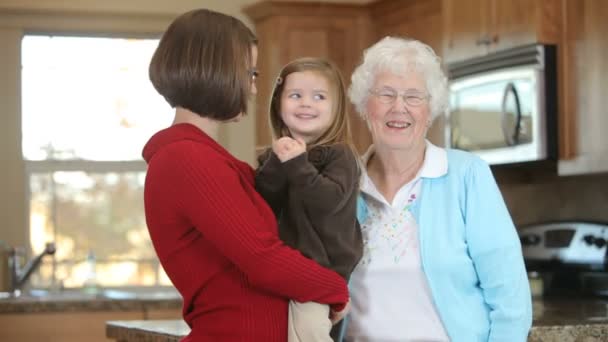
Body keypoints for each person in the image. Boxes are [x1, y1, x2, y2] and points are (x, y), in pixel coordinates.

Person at [142, 9, 349, 341]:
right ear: (218, 70)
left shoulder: (199, 157)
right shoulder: (187, 158)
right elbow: (262, 257)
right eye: (250, 73)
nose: (254, 89)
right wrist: (336, 288)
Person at [343, 36, 533, 341]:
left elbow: (510, 300)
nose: (399, 107)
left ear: (430, 110)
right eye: (386, 94)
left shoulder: (467, 176)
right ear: (365, 106)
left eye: (414, 96)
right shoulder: (343, 184)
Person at [255, 57, 363, 342]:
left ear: (335, 107)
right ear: (279, 105)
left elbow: (328, 203)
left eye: (319, 96)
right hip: (284, 272)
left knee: (310, 334)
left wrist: (297, 164)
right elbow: (262, 204)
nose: (306, 103)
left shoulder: (341, 156)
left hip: (321, 274)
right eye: (295, 95)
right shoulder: (275, 157)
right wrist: (279, 162)